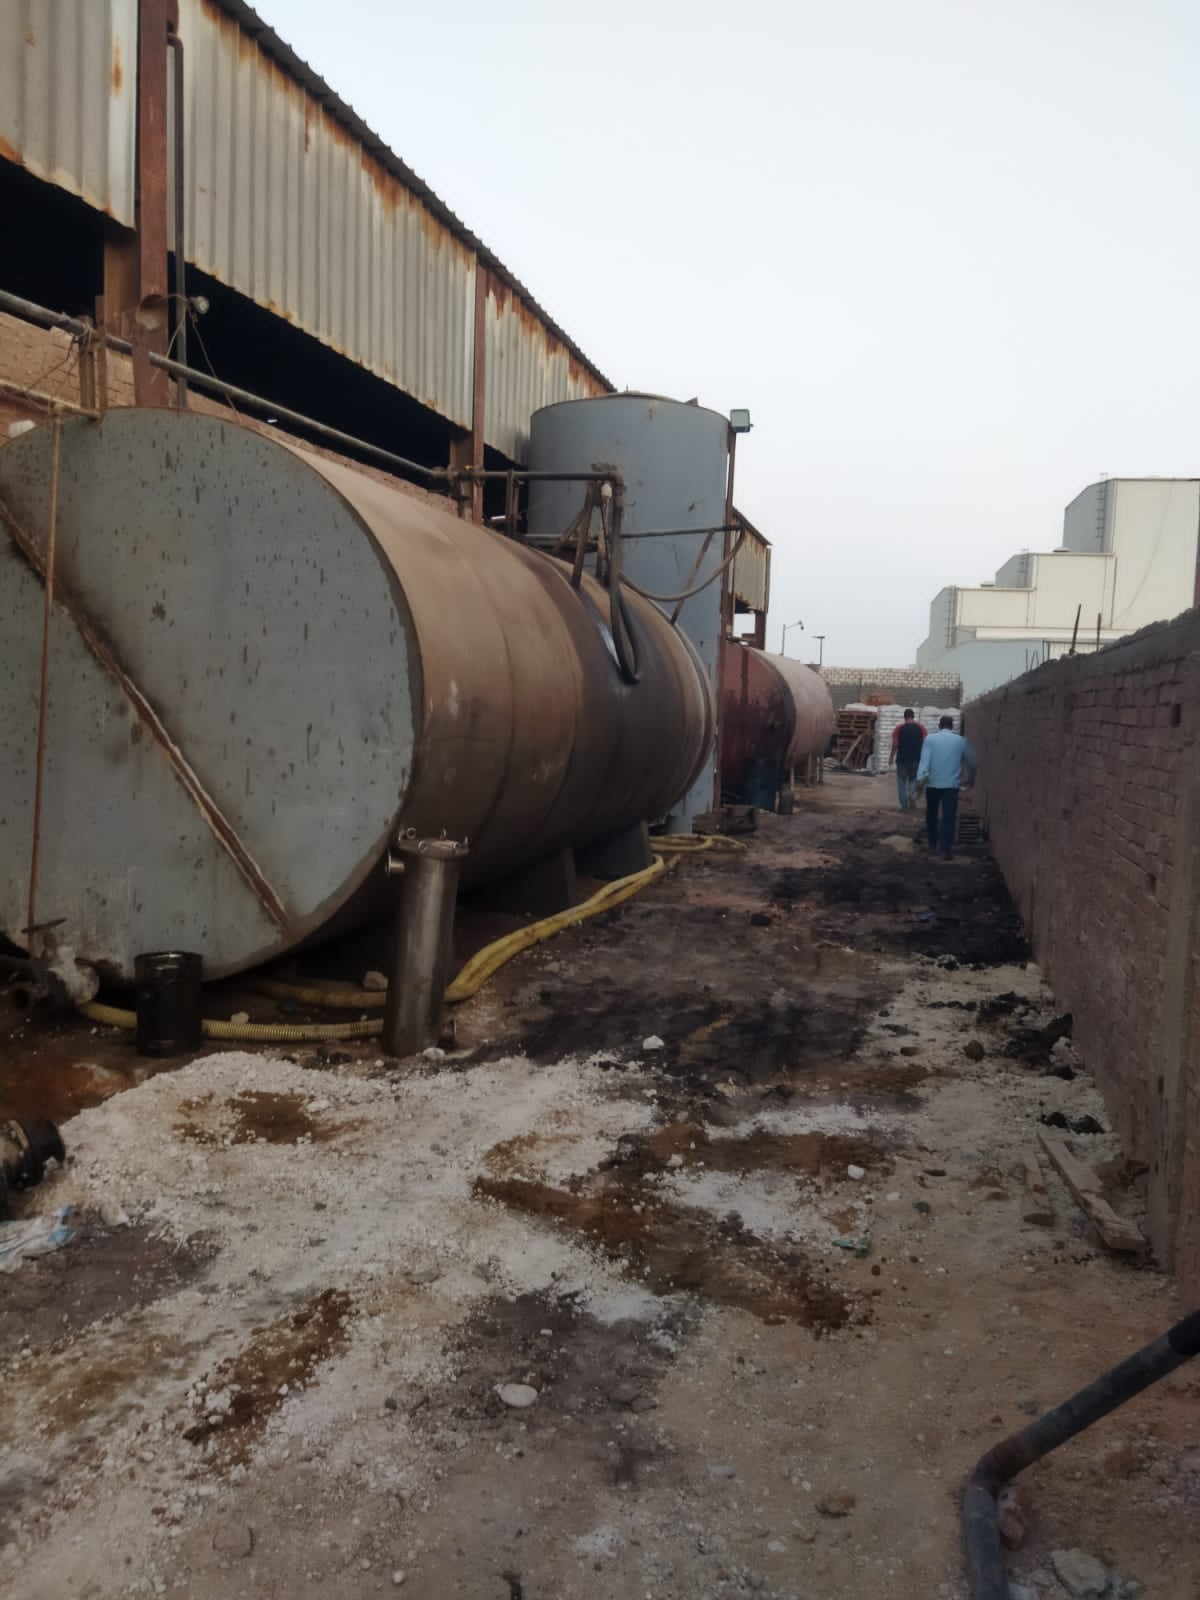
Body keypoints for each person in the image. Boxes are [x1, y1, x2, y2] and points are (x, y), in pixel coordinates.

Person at [916, 715, 977, 859]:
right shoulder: (961, 741)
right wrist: (971, 779)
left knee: (931, 815)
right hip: (951, 786)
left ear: (939, 725)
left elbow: (924, 762)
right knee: (948, 818)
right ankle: (945, 849)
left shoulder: (930, 739)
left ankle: (932, 845)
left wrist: (919, 781)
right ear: (952, 726)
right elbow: (973, 762)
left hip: (932, 784)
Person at [889, 709, 926, 811]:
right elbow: (925, 744)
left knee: (901, 782)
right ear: (913, 717)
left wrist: (891, 757)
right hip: (915, 759)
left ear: (904, 717)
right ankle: (912, 797)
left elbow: (895, 744)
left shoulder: (899, 728)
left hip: (902, 760)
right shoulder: (921, 728)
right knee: (913, 779)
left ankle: (904, 806)